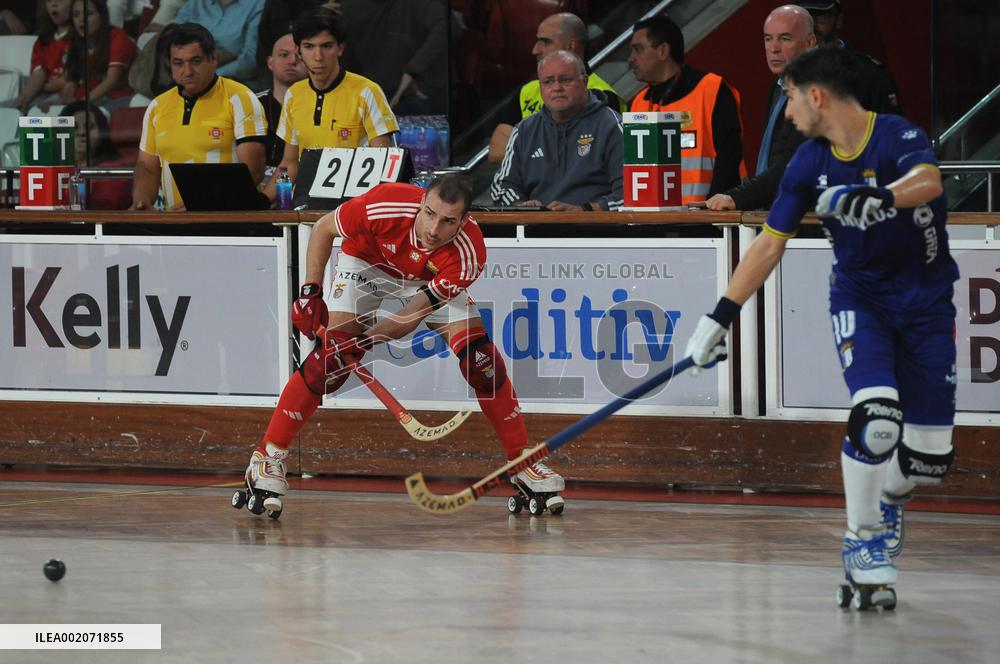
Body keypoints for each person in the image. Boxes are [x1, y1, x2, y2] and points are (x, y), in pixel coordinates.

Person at [685, 47, 958, 608]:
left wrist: (877, 197)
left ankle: (886, 501)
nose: (786, 114)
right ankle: (863, 543)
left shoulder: (898, 136)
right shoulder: (808, 163)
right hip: (861, 300)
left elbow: (928, 181)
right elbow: (767, 244)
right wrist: (719, 317)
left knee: (929, 462)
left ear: (816, 95)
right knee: (878, 418)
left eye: (788, 98)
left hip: (928, 305)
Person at [241, 173, 566, 516]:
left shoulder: (469, 253)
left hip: (426, 284)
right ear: (422, 200)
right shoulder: (384, 206)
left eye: (448, 221)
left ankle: (522, 460)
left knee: (481, 361)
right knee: (330, 365)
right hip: (367, 266)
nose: (434, 229)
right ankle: (268, 456)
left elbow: (408, 317)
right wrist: (310, 292)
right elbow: (323, 228)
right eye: (429, 213)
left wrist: (362, 342)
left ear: (465, 220)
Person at [262, 8, 397, 204]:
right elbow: (290, 164)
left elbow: (383, 164)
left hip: (352, 207)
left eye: (326, 46)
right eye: (309, 47)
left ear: (340, 48)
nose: (318, 56)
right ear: (299, 51)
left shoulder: (367, 91)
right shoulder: (294, 95)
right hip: (305, 203)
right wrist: (263, 200)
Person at [130, 22, 268, 210]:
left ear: (214, 59)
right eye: (178, 63)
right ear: (169, 64)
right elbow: (147, 167)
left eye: (196, 61)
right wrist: (142, 202)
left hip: (232, 222)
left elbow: (253, 171)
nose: (187, 72)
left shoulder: (240, 98)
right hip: (176, 223)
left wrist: (202, 202)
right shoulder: (157, 106)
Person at [628, 14, 746, 206]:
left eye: (638, 50)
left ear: (663, 50)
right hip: (654, 224)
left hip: (708, 221)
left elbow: (729, 159)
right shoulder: (639, 102)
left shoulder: (711, 89)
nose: (631, 59)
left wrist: (710, 217)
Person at [706, 4, 815, 212]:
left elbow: (793, 164)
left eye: (785, 38)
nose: (773, 48)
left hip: (806, 223)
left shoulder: (818, 89)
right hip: (778, 213)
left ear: (809, 42)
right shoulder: (779, 85)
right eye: (767, 38)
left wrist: (740, 197)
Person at [491, 50, 623, 212]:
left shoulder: (612, 126)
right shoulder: (524, 130)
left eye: (565, 80)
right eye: (548, 82)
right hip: (536, 232)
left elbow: (629, 195)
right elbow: (502, 187)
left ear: (585, 82)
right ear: (540, 87)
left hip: (596, 233)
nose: (557, 88)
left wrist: (585, 210)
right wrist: (520, 206)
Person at [487, 11, 624, 165]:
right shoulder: (528, 90)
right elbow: (496, 151)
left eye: (545, 42)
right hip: (531, 187)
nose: (535, 50)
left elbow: (581, 153)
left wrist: (522, 147)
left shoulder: (602, 95)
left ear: (571, 45)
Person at [338, 0, 449, 116]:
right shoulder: (349, 8)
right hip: (368, 96)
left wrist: (414, 70)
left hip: (417, 95)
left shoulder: (417, 5)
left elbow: (447, 27)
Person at [794, 0, 901, 114]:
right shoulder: (786, 73)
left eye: (820, 16)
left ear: (838, 20)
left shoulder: (870, 75)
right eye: (805, 18)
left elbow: (889, 128)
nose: (812, 26)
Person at [59, 0, 137, 113]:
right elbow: (74, 78)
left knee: (84, 117)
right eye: (76, 15)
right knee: (41, 111)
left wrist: (80, 104)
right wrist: (66, 95)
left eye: (88, 14)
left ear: (102, 16)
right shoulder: (77, 42)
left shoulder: (118, 36)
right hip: (93, 99)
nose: (81, 19)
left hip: (120, 98)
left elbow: (112, 80)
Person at [172, 0, 265, 87]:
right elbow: (172, 36)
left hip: (234, 82)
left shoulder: (258, 4)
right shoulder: (197, 2)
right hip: (183, 77)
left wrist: (208, 76)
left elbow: (249, 62)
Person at [60, 101, 132, 209]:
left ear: (102, 133)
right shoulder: (53, 169)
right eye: (74, 127)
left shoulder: (113, 170)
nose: (82, 133)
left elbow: (106, 208)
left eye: (89, 127)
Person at [255, 32, 306, 178]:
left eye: (299, 56)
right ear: (270, 62)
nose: (292, 61)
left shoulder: (319, 106)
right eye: (284, 55)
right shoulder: (251, 104)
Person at [9, 0, 71, 113]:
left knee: (38, 115)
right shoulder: (42, 40)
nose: (54, 4)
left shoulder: (82, 37)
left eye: (60, 0)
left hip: (68, 96)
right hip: (41, 94)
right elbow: (39, 72)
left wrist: (43, 88)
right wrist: (23, 98)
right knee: (8, 110)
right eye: (49, 1)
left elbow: (71, 80)